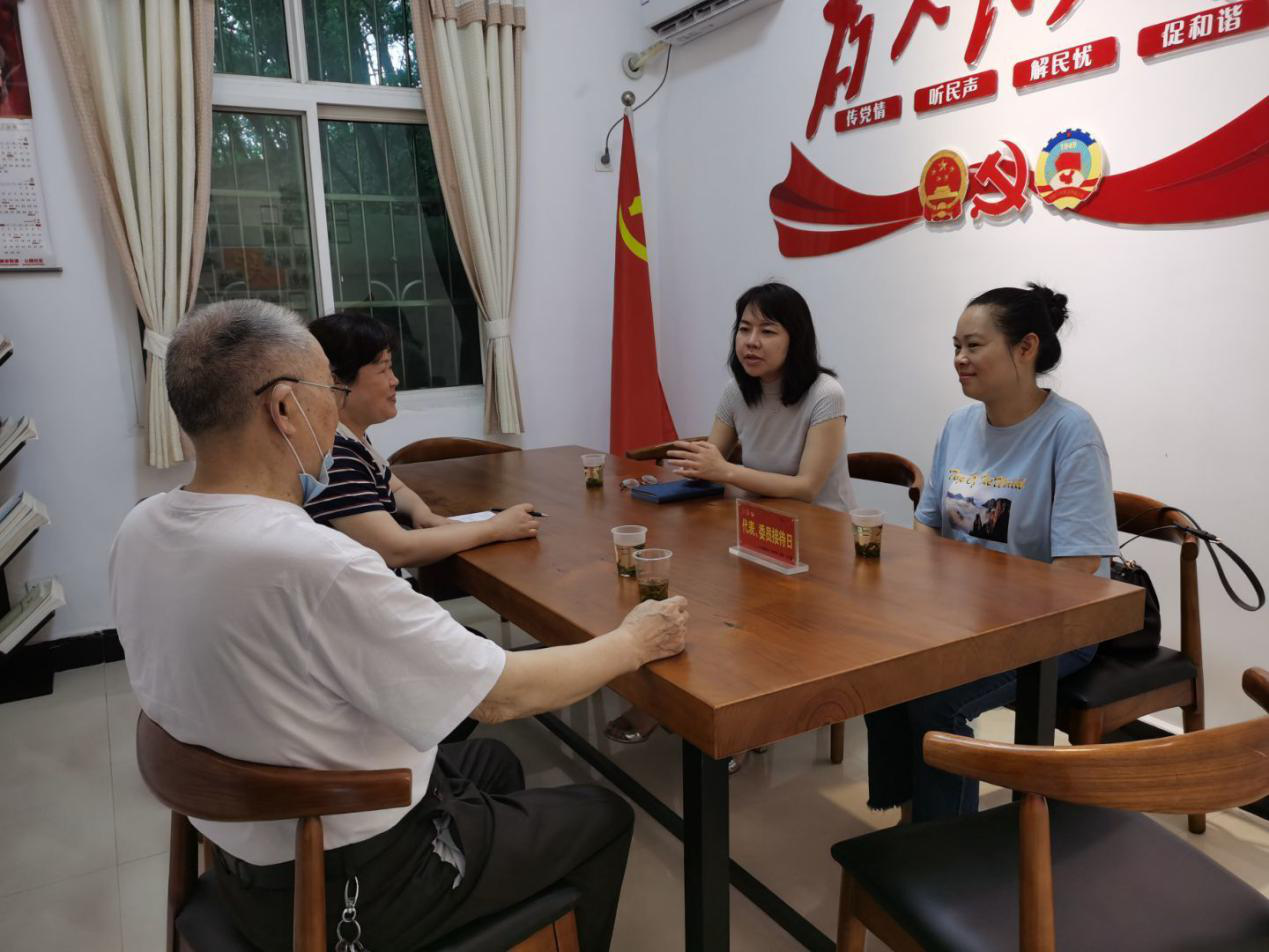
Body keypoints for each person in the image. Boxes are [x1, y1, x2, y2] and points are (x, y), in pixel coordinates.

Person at [109, 300, 690, 952]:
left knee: (492, 763)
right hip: (346, 881)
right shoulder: (314, 562)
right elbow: (503, 696)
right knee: (601, 813)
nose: (334, 411)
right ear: (284, 408)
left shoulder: (142, 527)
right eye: (328, 391)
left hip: (242, 851)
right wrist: (632, 642)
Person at [864, 283, 1118, 823]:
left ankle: (948, 845)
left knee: (934, 702)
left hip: (1055, 624)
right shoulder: (959, 425)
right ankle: (909, 819)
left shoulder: (1070, 433)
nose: (960, 359)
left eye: (974, 346)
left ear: (1026, 347)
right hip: (961, 616)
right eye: (956, 346)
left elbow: (1075, 572)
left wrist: (980, 622)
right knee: (876, 669)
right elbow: (927, 528)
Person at [605, 283, 857, 758]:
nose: (751, 342)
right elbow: (711, 464)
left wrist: (726, 472)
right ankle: (677, 705)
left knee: (740, 616)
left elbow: (806, 487)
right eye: (744, 329)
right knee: (695, 592)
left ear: (796, 338)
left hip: (817, 541)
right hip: (755, 527)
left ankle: (739, 726)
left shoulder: (826, 394)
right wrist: (663, 479)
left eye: (767, 330)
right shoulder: (736, 390)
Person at [303, 312, 538, 569]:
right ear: (336, 382)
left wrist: (421, 512)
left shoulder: (349, 438)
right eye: (383, 369)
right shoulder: (333, 456)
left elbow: (395, 488)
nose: (394, 380)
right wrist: (495, 528)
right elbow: (396, 550)